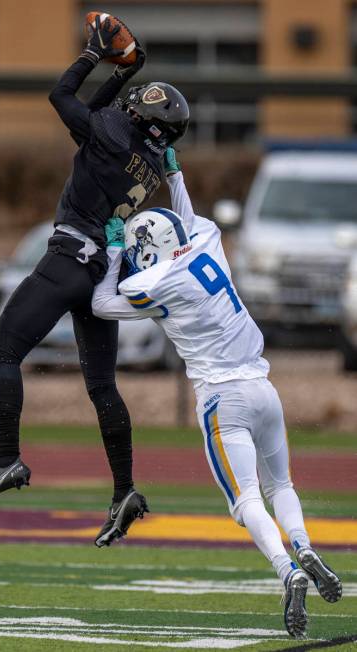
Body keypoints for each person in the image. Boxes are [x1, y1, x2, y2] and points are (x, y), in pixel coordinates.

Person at [91, 148, 342, 636]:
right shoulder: (206, 243)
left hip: (222, 399)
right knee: (282, 486)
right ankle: (305, 546)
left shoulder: (155, 281)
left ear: (148, 250)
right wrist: (174, 174)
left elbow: (103, 304)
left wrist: (117, 249)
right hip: (264, 388)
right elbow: (186, 222)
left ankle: (287, 571)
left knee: (246, 500)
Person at [0, 18, 189, 549]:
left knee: (3, 353)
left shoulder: (112, 133)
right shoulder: (152, 161)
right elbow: (103, 117)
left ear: (144, 118)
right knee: (103, 386)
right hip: (101, 276)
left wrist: (94, 56)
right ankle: (125, 490)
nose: (128, 105)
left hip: (68, 259)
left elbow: (63, 97)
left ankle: (8, 459)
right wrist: (124, 71)